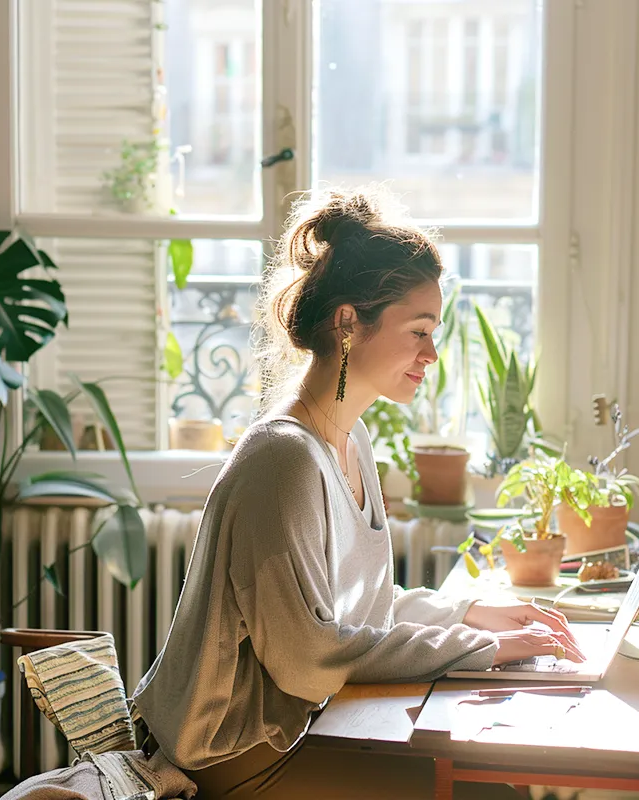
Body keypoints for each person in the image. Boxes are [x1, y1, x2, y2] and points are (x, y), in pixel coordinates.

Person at [133, 187, 585, 799]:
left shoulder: (350, 439)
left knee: (488, 776)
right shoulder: (284, 459)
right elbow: (307, 656)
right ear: (349, 321)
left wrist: (467, 613)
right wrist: (478, 647)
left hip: (293, 734)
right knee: (485, 790)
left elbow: (357, 614)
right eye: (420, 330)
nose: (431, 354)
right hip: (233, 755)